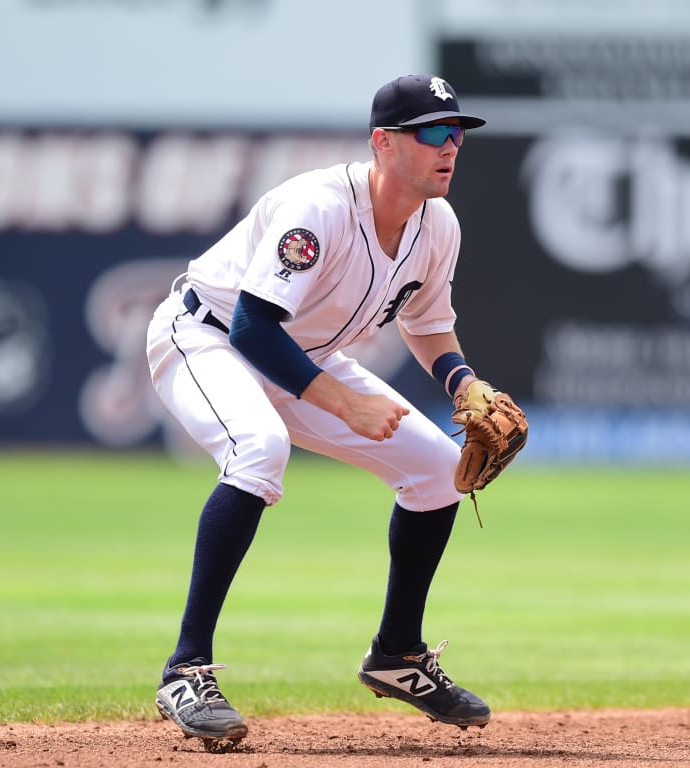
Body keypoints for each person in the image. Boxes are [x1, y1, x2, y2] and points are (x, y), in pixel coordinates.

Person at [145, 74, 494, 747]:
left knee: (437, 470)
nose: (449, 145)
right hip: (205, 334)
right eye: (431, 133)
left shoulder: (437, 224)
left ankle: (397, 654)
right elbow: (251, 326)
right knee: (260, 448)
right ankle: (184, 669)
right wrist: (343, 403)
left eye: (456, 133)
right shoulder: (321, 207)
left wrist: (464, 385)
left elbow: (427, 325)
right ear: (383, 144)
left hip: (300, 352)